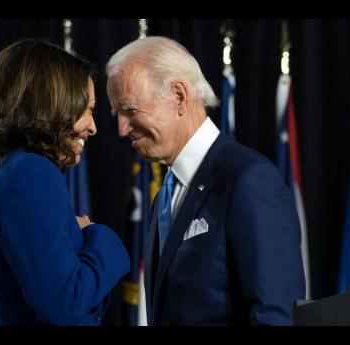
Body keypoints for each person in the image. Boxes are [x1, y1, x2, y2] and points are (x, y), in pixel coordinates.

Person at [105, 36, 305, 325]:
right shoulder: (163, 196)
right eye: (117, 114)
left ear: (179, 96)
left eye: (130, 110)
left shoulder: (248, 180)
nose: (122, 129)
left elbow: (276, 313)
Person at [0, 39, 130, 325]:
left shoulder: (11, 168)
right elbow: (65, 305)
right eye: (87, 109)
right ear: (52, 104)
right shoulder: (31, 173)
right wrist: (99, 236)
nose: (93, 127)